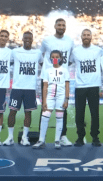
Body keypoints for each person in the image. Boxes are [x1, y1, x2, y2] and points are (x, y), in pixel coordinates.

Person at [3, 31, 43, 146]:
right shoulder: (15, 52)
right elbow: (7, 64)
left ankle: (24, 137)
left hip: (30, 88)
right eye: (25, 38)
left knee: (28, 113)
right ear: (22, 39)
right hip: (17, 88)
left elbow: (43, 65)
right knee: (12, 112)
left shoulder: (37, 53)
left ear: (32, 39)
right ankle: (10, 137)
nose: (27, 40)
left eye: (30, 38)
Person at [39, 18, 74, 146]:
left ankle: (62, 136)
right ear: (54, 26)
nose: (61, 26)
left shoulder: (70, 41)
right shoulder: (47, 40)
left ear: (65, 27)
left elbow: (70, 59)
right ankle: (41, 138)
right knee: (45, 108)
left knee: (62, 109)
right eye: (59, 24)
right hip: (48, 77)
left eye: (63, 25)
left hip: (62, 78)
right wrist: (49, 69)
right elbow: (40, 56)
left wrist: (61, 68)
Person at [70, 29, 103, 147]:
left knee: (95, 113)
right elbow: (68, 63)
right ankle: (80, 137)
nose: (86, 36)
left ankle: (95, 137)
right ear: (81, 36)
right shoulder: (75, 51)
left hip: (94, 86)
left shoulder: (98, 50)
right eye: (84, 35)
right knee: (79, 114)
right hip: (80, 86)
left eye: (88, 35)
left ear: (91, 37)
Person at [33, 50, 70, 149]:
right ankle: (41, 140)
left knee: (59, 117)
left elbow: (67, 86)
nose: (55, 59)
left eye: (57, 57)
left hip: (61, 96)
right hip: (50, 96)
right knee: (45, 116)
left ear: (61, 58)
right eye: (53, 57)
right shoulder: (47, 71)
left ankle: (57, 140)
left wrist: (66, 100)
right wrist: (44, 101)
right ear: (50, 59)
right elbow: (44, 87)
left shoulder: (65, 70)